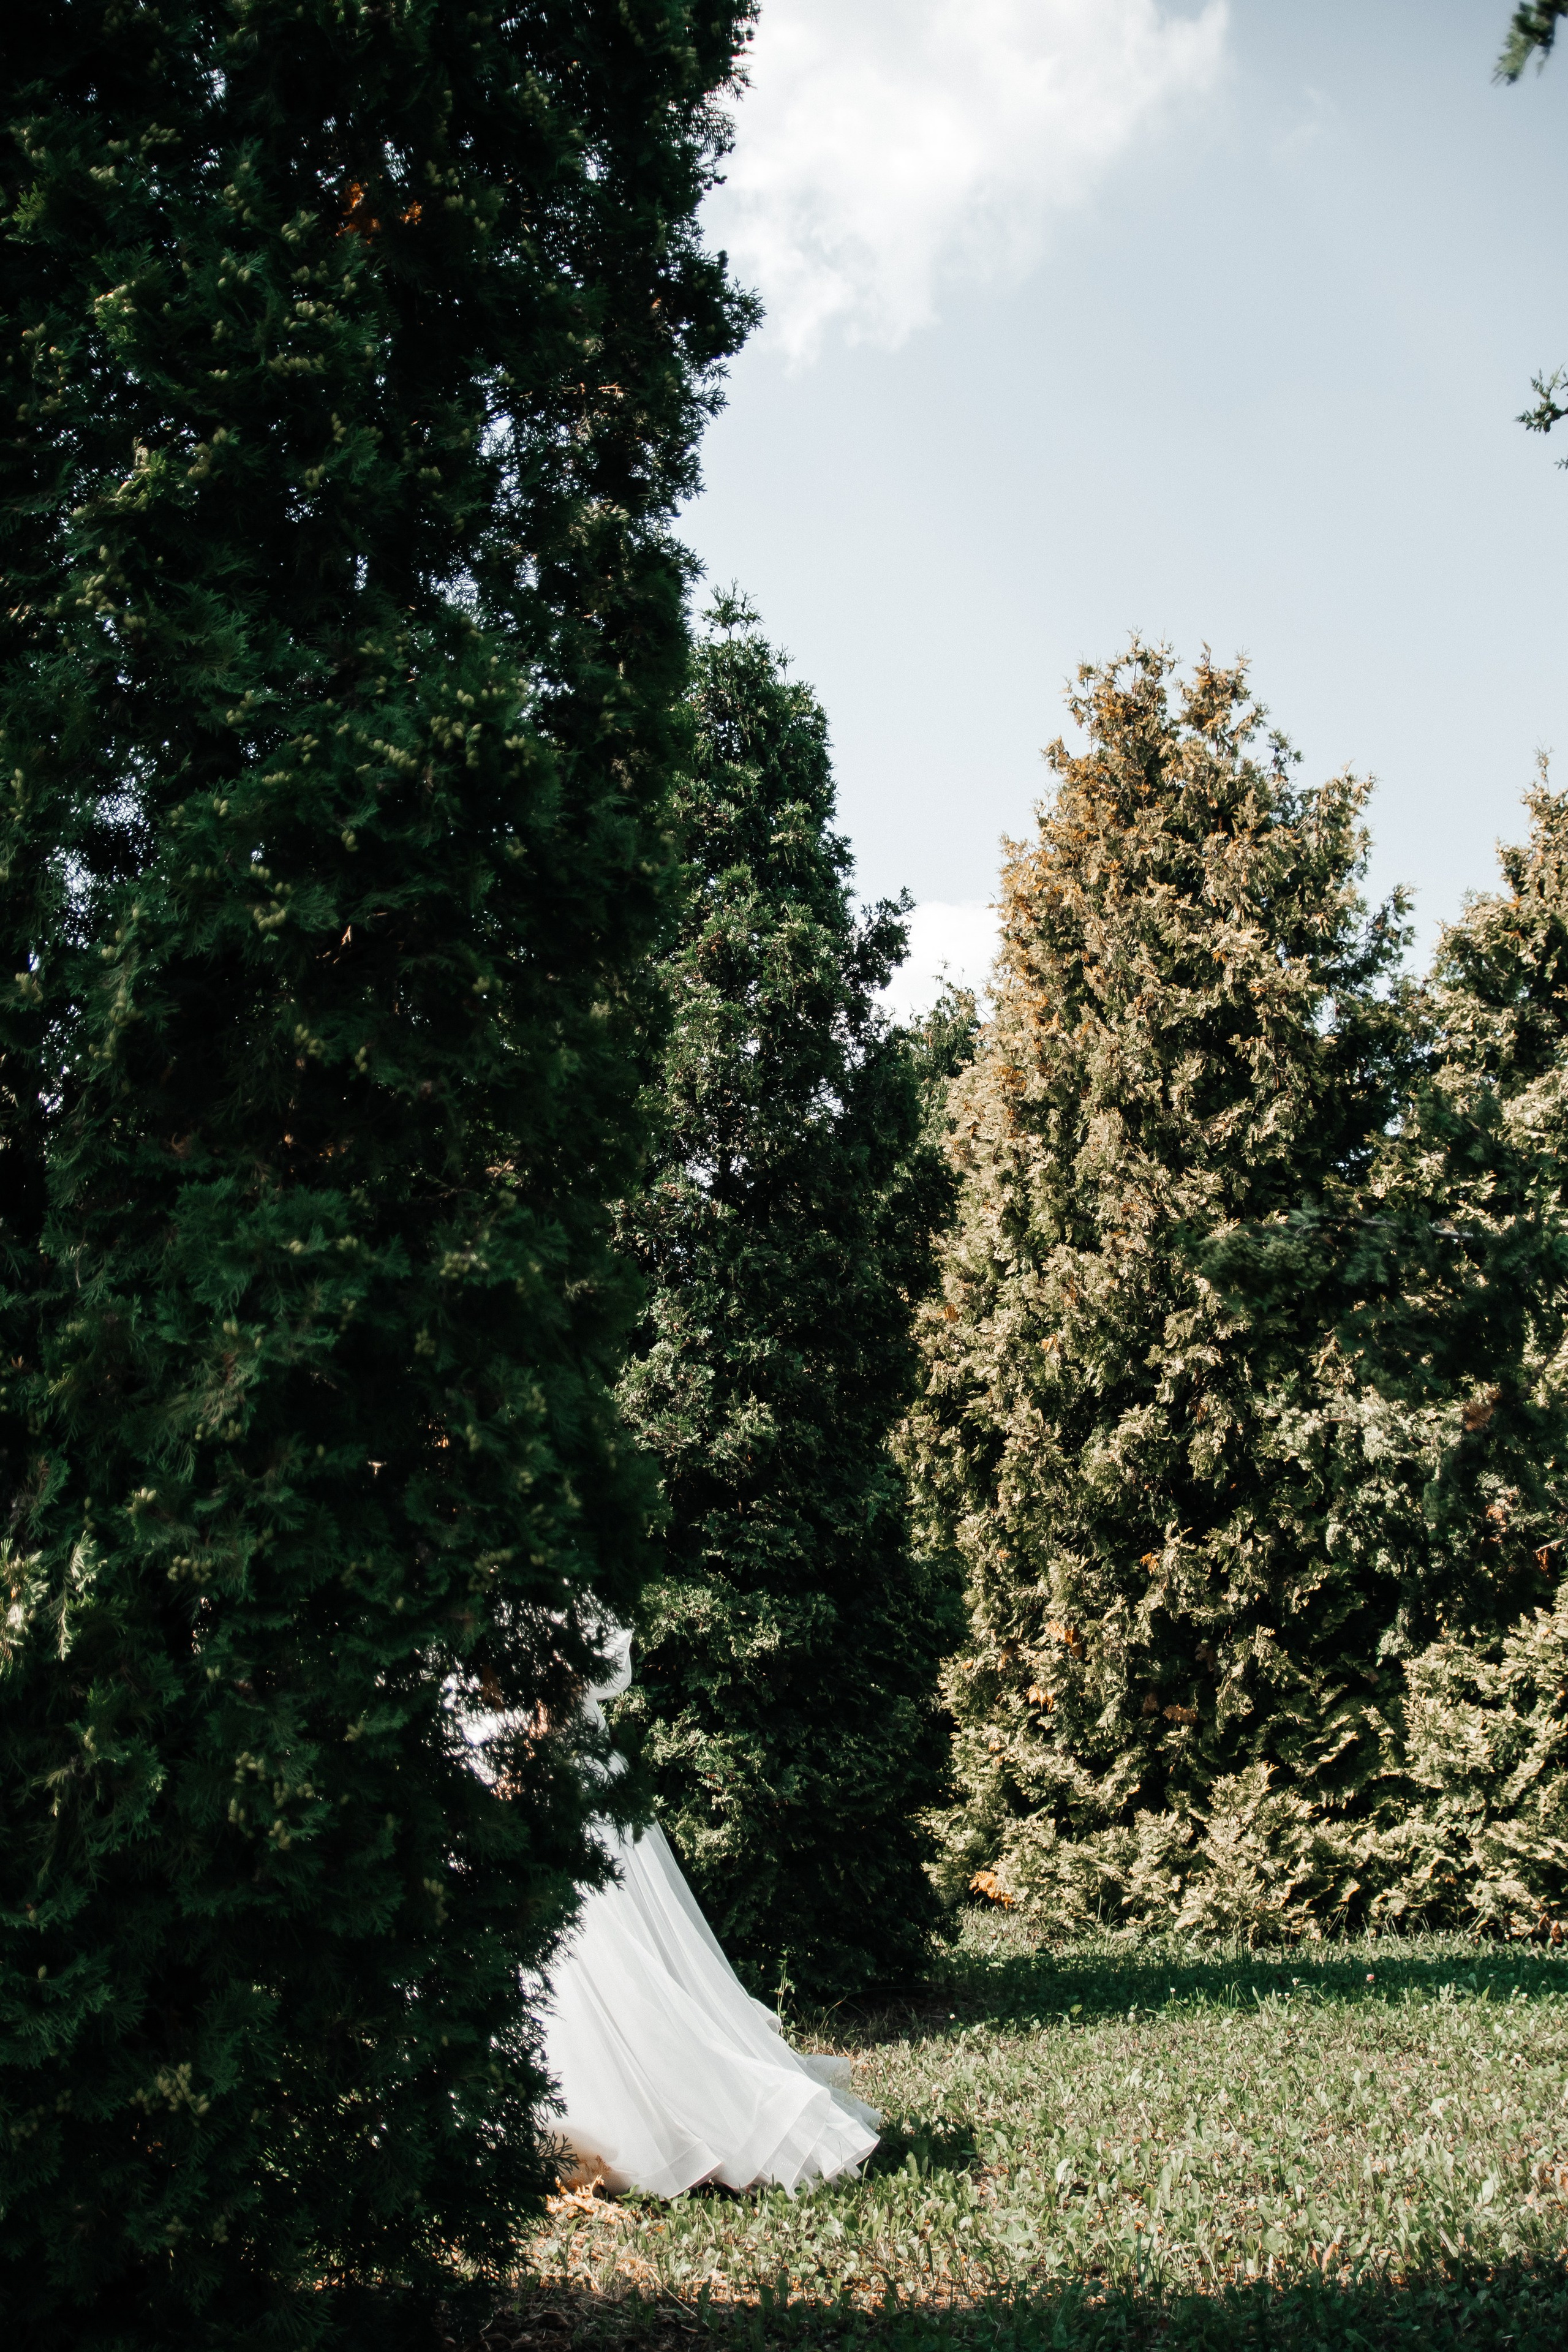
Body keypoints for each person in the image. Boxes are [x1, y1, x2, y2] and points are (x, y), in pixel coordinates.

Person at [460, 1622, 880, 2198]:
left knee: (587, 1946)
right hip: (472, 1757)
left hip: (548, 1763)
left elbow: (566, 1654)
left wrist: (528, 1760)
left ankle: (609, 2124)